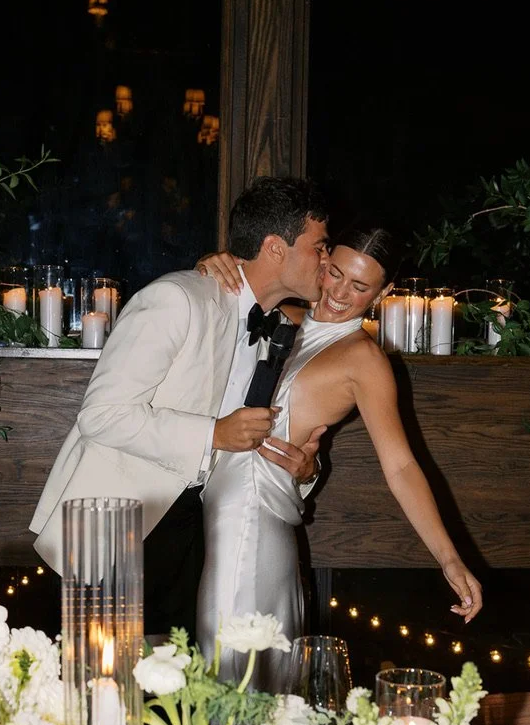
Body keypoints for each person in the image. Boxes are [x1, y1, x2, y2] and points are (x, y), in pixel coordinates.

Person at [29, 177, 328, 640]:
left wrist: (304, 469)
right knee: (90, 692)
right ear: (273, 247)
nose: (326, 262)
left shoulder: (287, 330)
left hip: (200, 529)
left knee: (173, 695)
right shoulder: (178, 298)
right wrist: (212, 434)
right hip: (114, 523)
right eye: (319, 248)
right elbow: (102, 414)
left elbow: (265, 435)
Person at [195, 224, 483, 682]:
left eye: (359, 286)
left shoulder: (364, 360)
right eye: (334, 273)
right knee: (231, 674)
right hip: (220, 507)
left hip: (252, 514)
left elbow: (402, 465)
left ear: (383, 291)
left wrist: (448, 557)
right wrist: (209, 268)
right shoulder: (284, 314)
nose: (338, 292)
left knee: (234, 676)